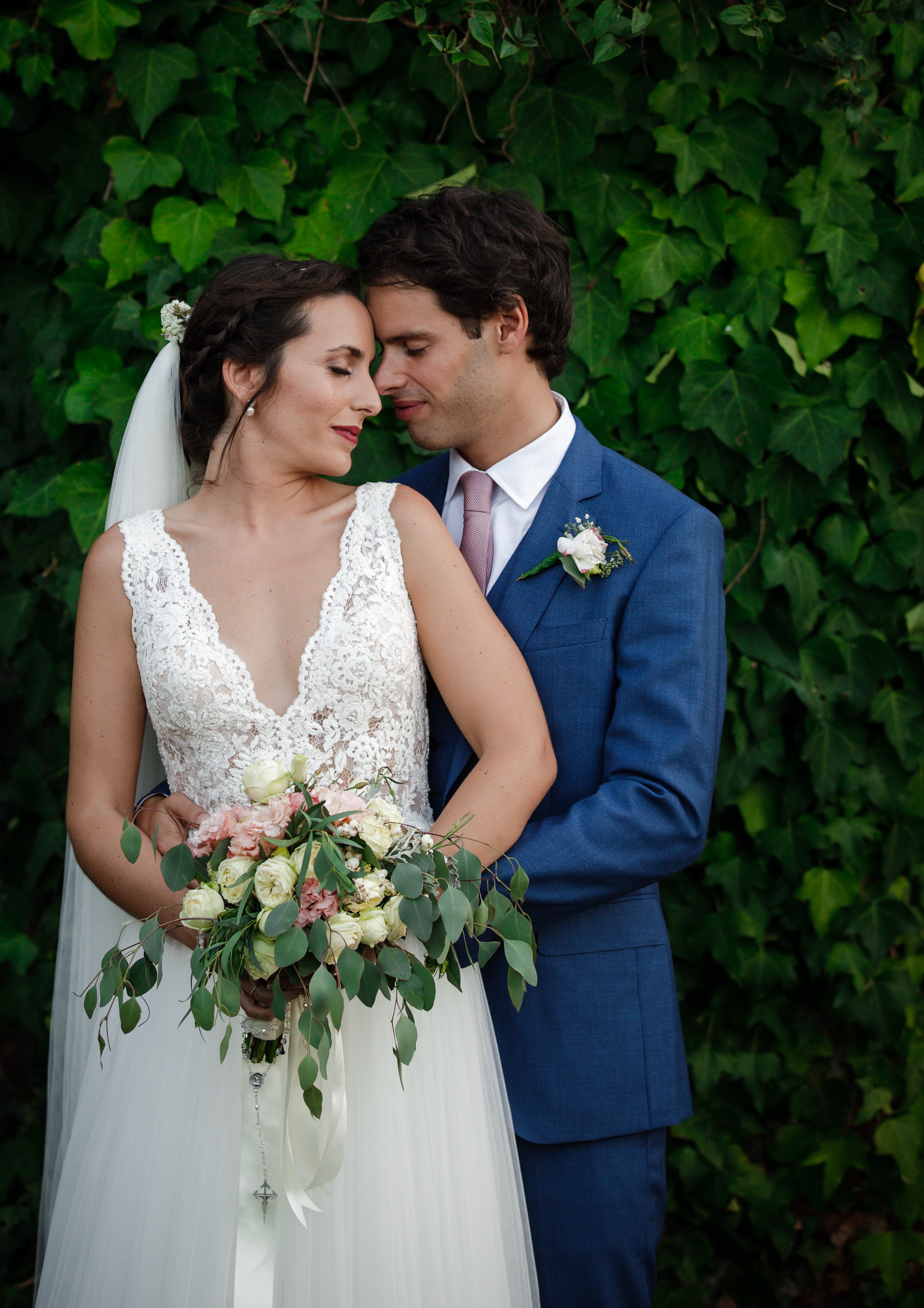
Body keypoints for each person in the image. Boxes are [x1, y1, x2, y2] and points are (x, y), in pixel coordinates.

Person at [34, 253, 554, 1308]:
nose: (374, 396)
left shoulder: (395, 526)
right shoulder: (127, 565)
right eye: (343, 366)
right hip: (205, 999)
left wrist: (392, 905)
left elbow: (519, 749)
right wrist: (201, 924)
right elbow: (94, 809)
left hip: (388, 992)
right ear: (244, 374)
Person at [354, 187, 727, 1308]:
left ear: (508, 322)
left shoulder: (660, 531)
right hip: (379, 1041)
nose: (383, 379)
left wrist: (432, 894)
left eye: (413, 345)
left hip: (575, 1052)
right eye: (375, 349)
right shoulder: (369, 520)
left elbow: (661, 802)